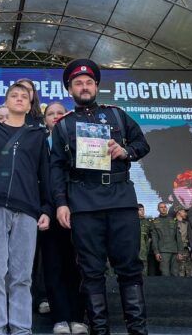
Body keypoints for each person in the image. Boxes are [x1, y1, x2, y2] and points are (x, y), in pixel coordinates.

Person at [50, 59, 150, 335]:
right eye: (78, 83)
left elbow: (142, 144)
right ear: (70, 89)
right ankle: (99, 330)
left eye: (88, 82)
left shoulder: (117, 115)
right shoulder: (63, 126)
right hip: (83, 204)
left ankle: (138, 330)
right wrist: (61, 203)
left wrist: (125, 151)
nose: (84, 86)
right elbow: (56, 167)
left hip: (121, 200)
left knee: (130, 268)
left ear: (96, 86)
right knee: (91, 271)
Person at [0, 82, 52, 335]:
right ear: (6, 102)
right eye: (14, 95)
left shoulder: (38, 135)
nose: (19, 99)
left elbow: (45, 175)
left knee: (22, 276)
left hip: (27, 211)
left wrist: (46, 209)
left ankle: (21, 329)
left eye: (24, 97)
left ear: (29, 105)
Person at [38, 101, 87, 335]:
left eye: (60, 113)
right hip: (48, 210)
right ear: (44, 119)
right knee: (53, 266)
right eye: (51, 113)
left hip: (78, 209)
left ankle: (77, 317)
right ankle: (59, 318)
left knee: (76, 266)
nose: (56, 116)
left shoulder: (80, 140)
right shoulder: (38, 143)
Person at [150, 202, 183, 276]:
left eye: (165, 207)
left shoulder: (173, 220)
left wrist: (180, 252)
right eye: (161, 207)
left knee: (175, 273)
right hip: (163, 251)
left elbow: (178, 237)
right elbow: (154, 239)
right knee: (165, 274)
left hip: (175, 251)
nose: (164, 209)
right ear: (158, 209)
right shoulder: (155, 222)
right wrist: (156, 252)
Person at [173, 208, 192, 277]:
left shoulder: (187, 224)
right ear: (179, 212)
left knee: (190, 272)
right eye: (184, 212)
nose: (186, 214)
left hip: (186, 250)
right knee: (179, 273)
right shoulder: (172, 224)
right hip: (177, 251)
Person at [137, 204, 151, 276]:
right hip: (132, 251)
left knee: (144, 272)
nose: (142, 212)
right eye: (140, 210)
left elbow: (151, 237)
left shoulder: (148, 222)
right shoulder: (131, 222)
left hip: (143, 251)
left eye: (143, 210)